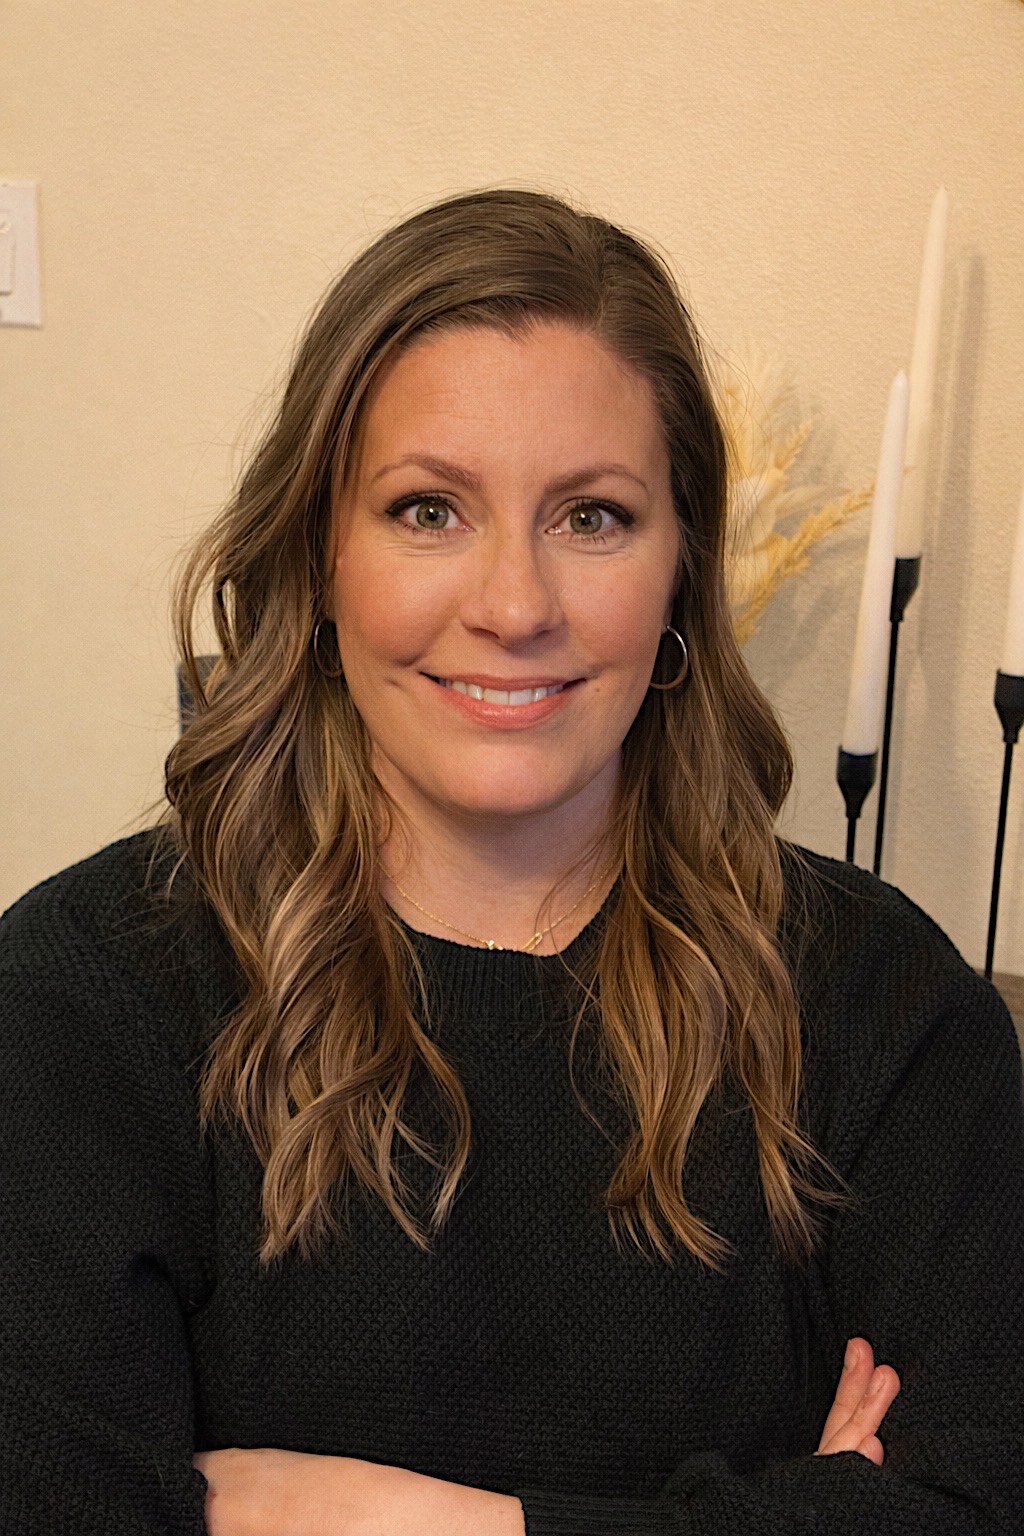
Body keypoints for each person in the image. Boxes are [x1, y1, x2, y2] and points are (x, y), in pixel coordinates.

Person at [1, 187, 1021, 1536]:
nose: (513, 605)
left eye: (592, 517)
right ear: (321, 554)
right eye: (429, 510)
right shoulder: (85, 1003)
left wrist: (373, 1519)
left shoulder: (881, 1006)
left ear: (680, 573)